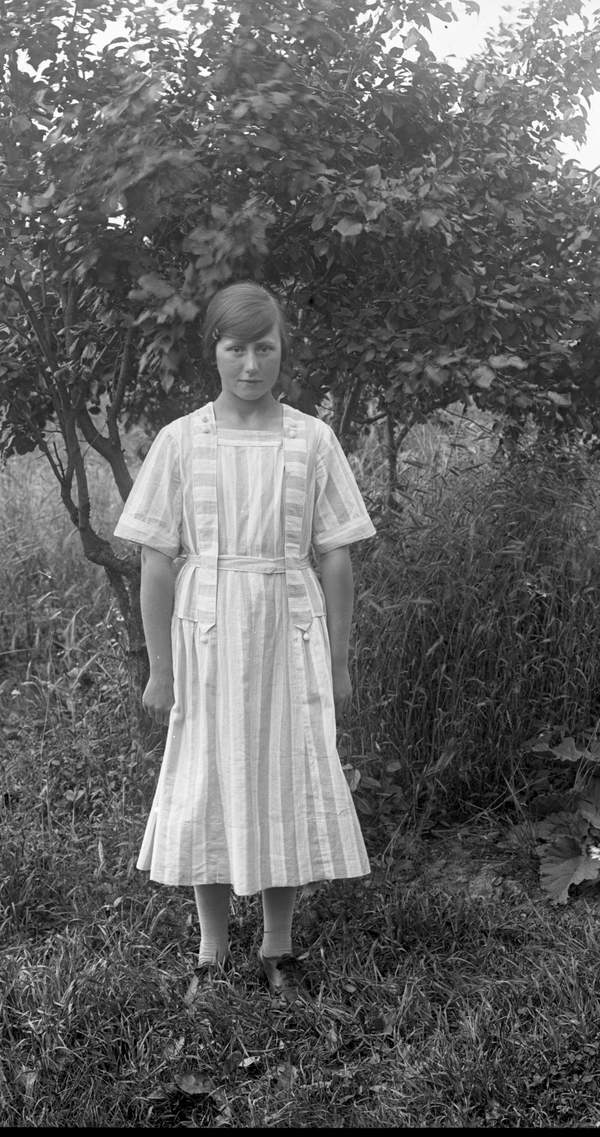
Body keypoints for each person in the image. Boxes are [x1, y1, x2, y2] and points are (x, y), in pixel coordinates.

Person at [113, 281, 375, 1002]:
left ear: (282, 351)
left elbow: (336, 557)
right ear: (215, 352)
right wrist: (161, 669)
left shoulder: (311, 440)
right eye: (237, 349)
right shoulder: (181, 441)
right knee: (209, 778)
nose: (252, 365)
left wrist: (339, 661)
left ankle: (279, 947)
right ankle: (211, 951)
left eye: (265, 348)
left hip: (289, 628)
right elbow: (157, 562)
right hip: (208, 633)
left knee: (284, 773)